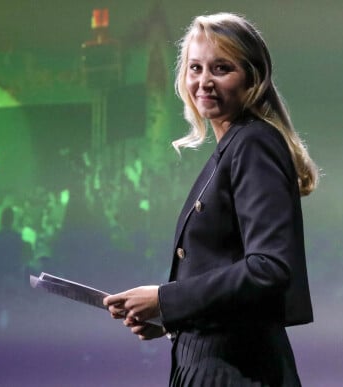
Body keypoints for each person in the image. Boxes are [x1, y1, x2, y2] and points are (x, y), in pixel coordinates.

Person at [103, 12, 319, 386]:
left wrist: (166, 300)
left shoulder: (252, 143)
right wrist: (172, 317)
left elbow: (268, 269)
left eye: (221, 68)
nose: (204, 81)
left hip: (236, 370)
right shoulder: (235, 146)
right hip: (214, 363)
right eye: (195, 68)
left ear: (253, 78)